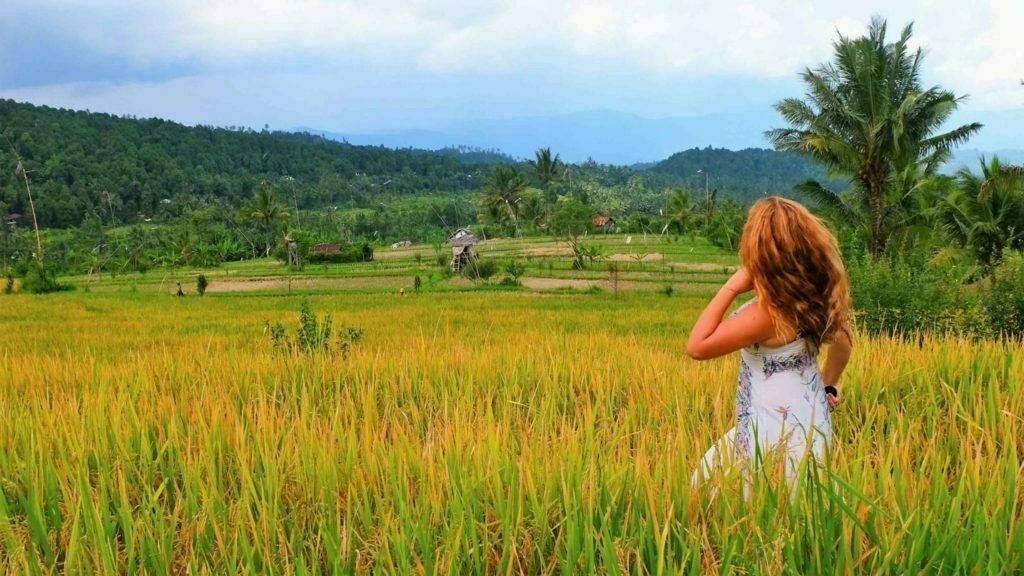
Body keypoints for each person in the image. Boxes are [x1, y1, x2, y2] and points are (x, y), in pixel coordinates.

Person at [686, 197, 852, 488]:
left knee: (725, 489)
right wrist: (827, 383)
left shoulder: (767, 312)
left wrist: (733, 286)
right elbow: (843, 345)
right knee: (802, 496)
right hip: (810, 416)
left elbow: (697, 346)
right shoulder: (821, 294)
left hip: (772, 425)